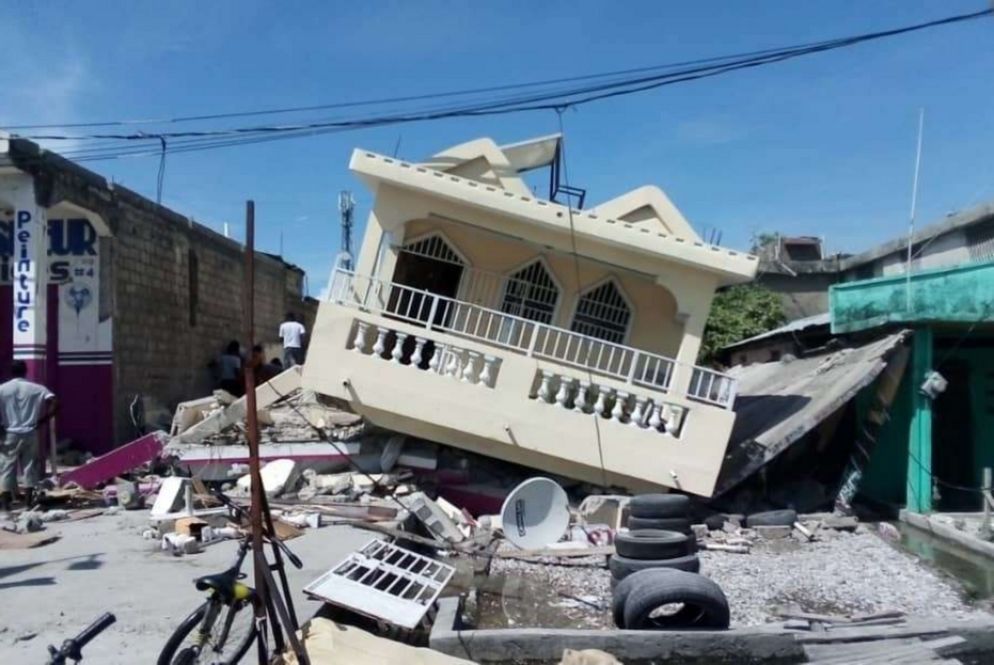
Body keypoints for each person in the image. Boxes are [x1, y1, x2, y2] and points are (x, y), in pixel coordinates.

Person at [0, 361, 58, 513]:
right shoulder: (37, 388)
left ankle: (6, 505)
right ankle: (28, 503)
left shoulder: (3, 389)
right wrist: (42, 421)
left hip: (10, 433)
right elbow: (54, 402)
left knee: (6, 468)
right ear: (25, 371)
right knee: (29, 467)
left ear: (11, 372)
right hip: (30, 433)